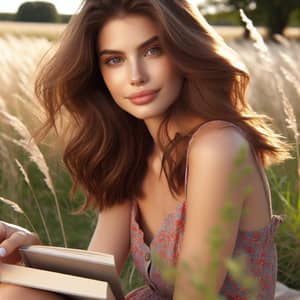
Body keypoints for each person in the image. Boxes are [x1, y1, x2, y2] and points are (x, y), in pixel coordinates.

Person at [0, 0, 293, 299]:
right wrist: (26, 256)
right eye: (114, 60)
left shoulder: (218, 147)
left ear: (183, 52)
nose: (136, 76)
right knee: (12, 290)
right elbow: (89, 285)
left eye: (153, 50)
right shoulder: (132, 155)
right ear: (98, 73)